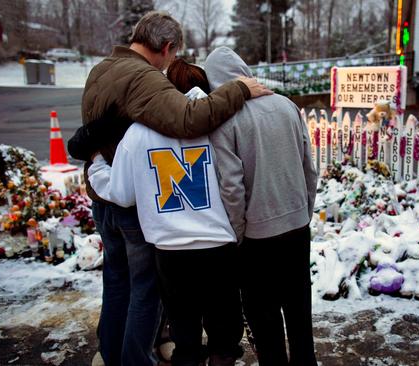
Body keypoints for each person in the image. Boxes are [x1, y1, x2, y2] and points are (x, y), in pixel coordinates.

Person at [68, 11, 271, 366]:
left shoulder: (102, 69)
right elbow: (188, 120)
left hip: (112, 197)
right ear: (165, 48)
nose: (171, 63)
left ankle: (111, 353)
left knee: (119, 286)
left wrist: (93, 163)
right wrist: (239, 89)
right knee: (147, 293)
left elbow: (109, 133)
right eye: (174, 55)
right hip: (140, 205)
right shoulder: (143, 78)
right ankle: (135, 360)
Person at [85, 59, 243, 366]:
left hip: (171, 250)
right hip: (218, 246)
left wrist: (97, 167)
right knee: (224, 339)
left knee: (184, 338)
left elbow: (122, 194)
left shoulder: (138, 133)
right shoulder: (214, 123)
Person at [206, 47, 318, 366]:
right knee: (299, 313)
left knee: (264, 320)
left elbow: (231, 187)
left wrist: (239, 233)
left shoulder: (225, 122)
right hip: (297, 227)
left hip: (257, 237)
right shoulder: (287, 106)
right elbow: (309, 167)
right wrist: (304, 212)